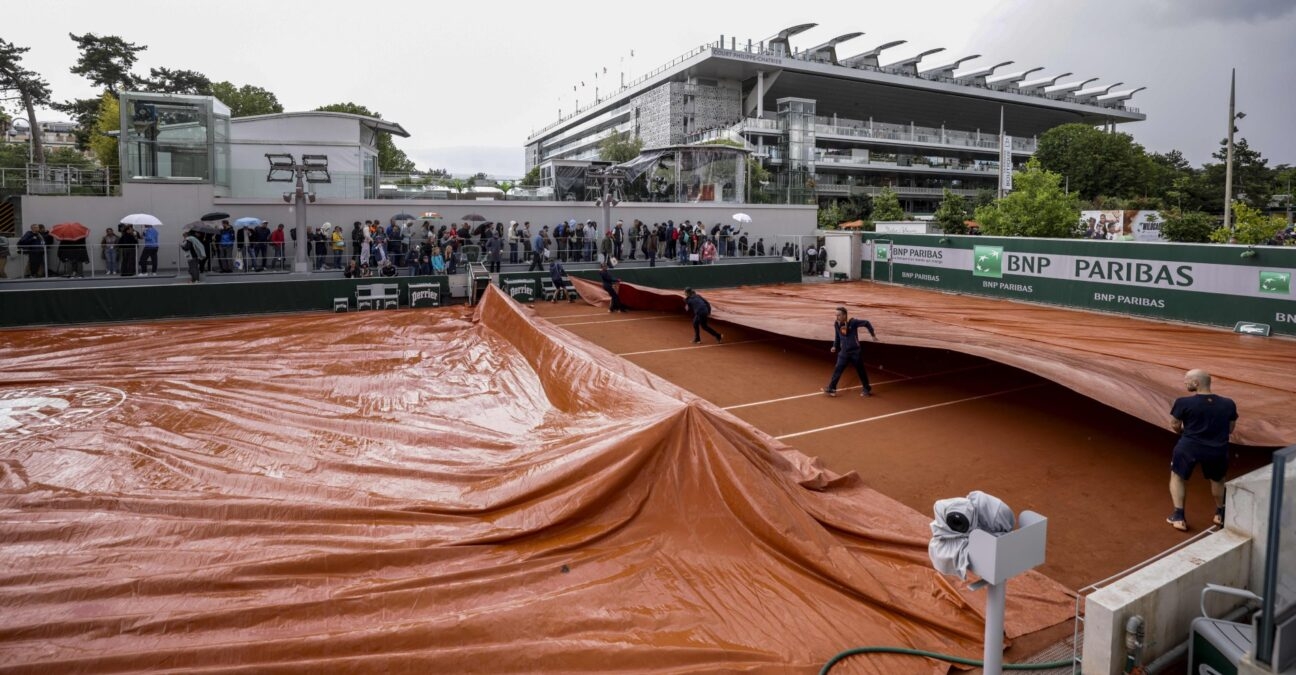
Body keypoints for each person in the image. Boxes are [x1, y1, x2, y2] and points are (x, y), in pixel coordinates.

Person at [1166, 369, 1238, 532]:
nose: (1185, 383)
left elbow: (1175, 425)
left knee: (1177, 477)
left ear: (1196, 383)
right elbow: (1231, 428)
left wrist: (1183, 432)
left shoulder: (1183, 402)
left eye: (1187, 380)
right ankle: (1220, 513)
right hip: (1217, 449)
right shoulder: (1228, 403)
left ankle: (1178, 516)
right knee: (1218, 480)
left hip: (1189, 447)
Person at [822, 306, 878, 397]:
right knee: (837, 369)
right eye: (836, 315)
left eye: (839, 315)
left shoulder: (853, 322)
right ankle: (832, 388)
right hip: (844, 352)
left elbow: (867, 323)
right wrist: (834, 346)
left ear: (844, 315)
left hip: (855, 352)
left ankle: (866, 389)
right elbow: (837, 337)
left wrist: (872, 334)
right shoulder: (836, 324)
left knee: (861, 371)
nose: (837, 317)